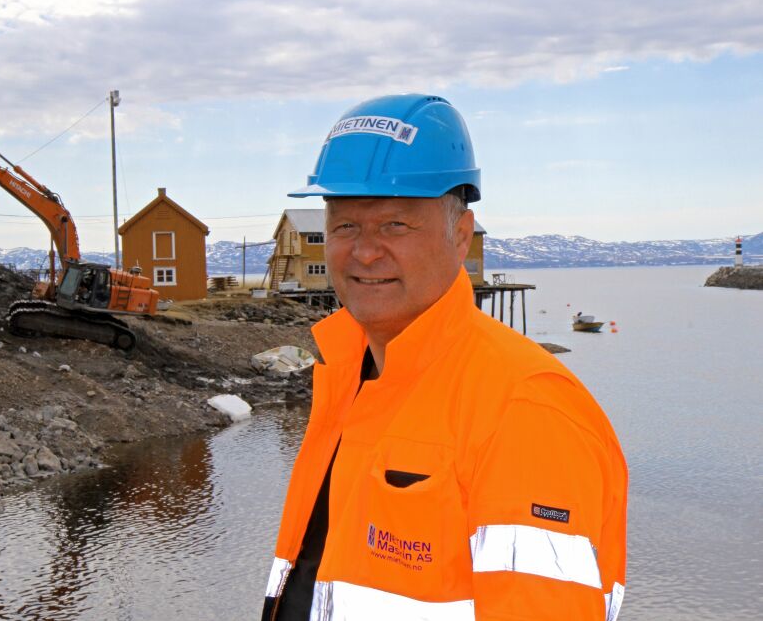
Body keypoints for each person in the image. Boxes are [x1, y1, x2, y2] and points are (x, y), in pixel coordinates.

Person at [261, 94, 627, 621]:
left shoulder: (523, 410)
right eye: (345, 226)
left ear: (460, 236)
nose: (364, 251)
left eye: (395, 225)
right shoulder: (352, 379)